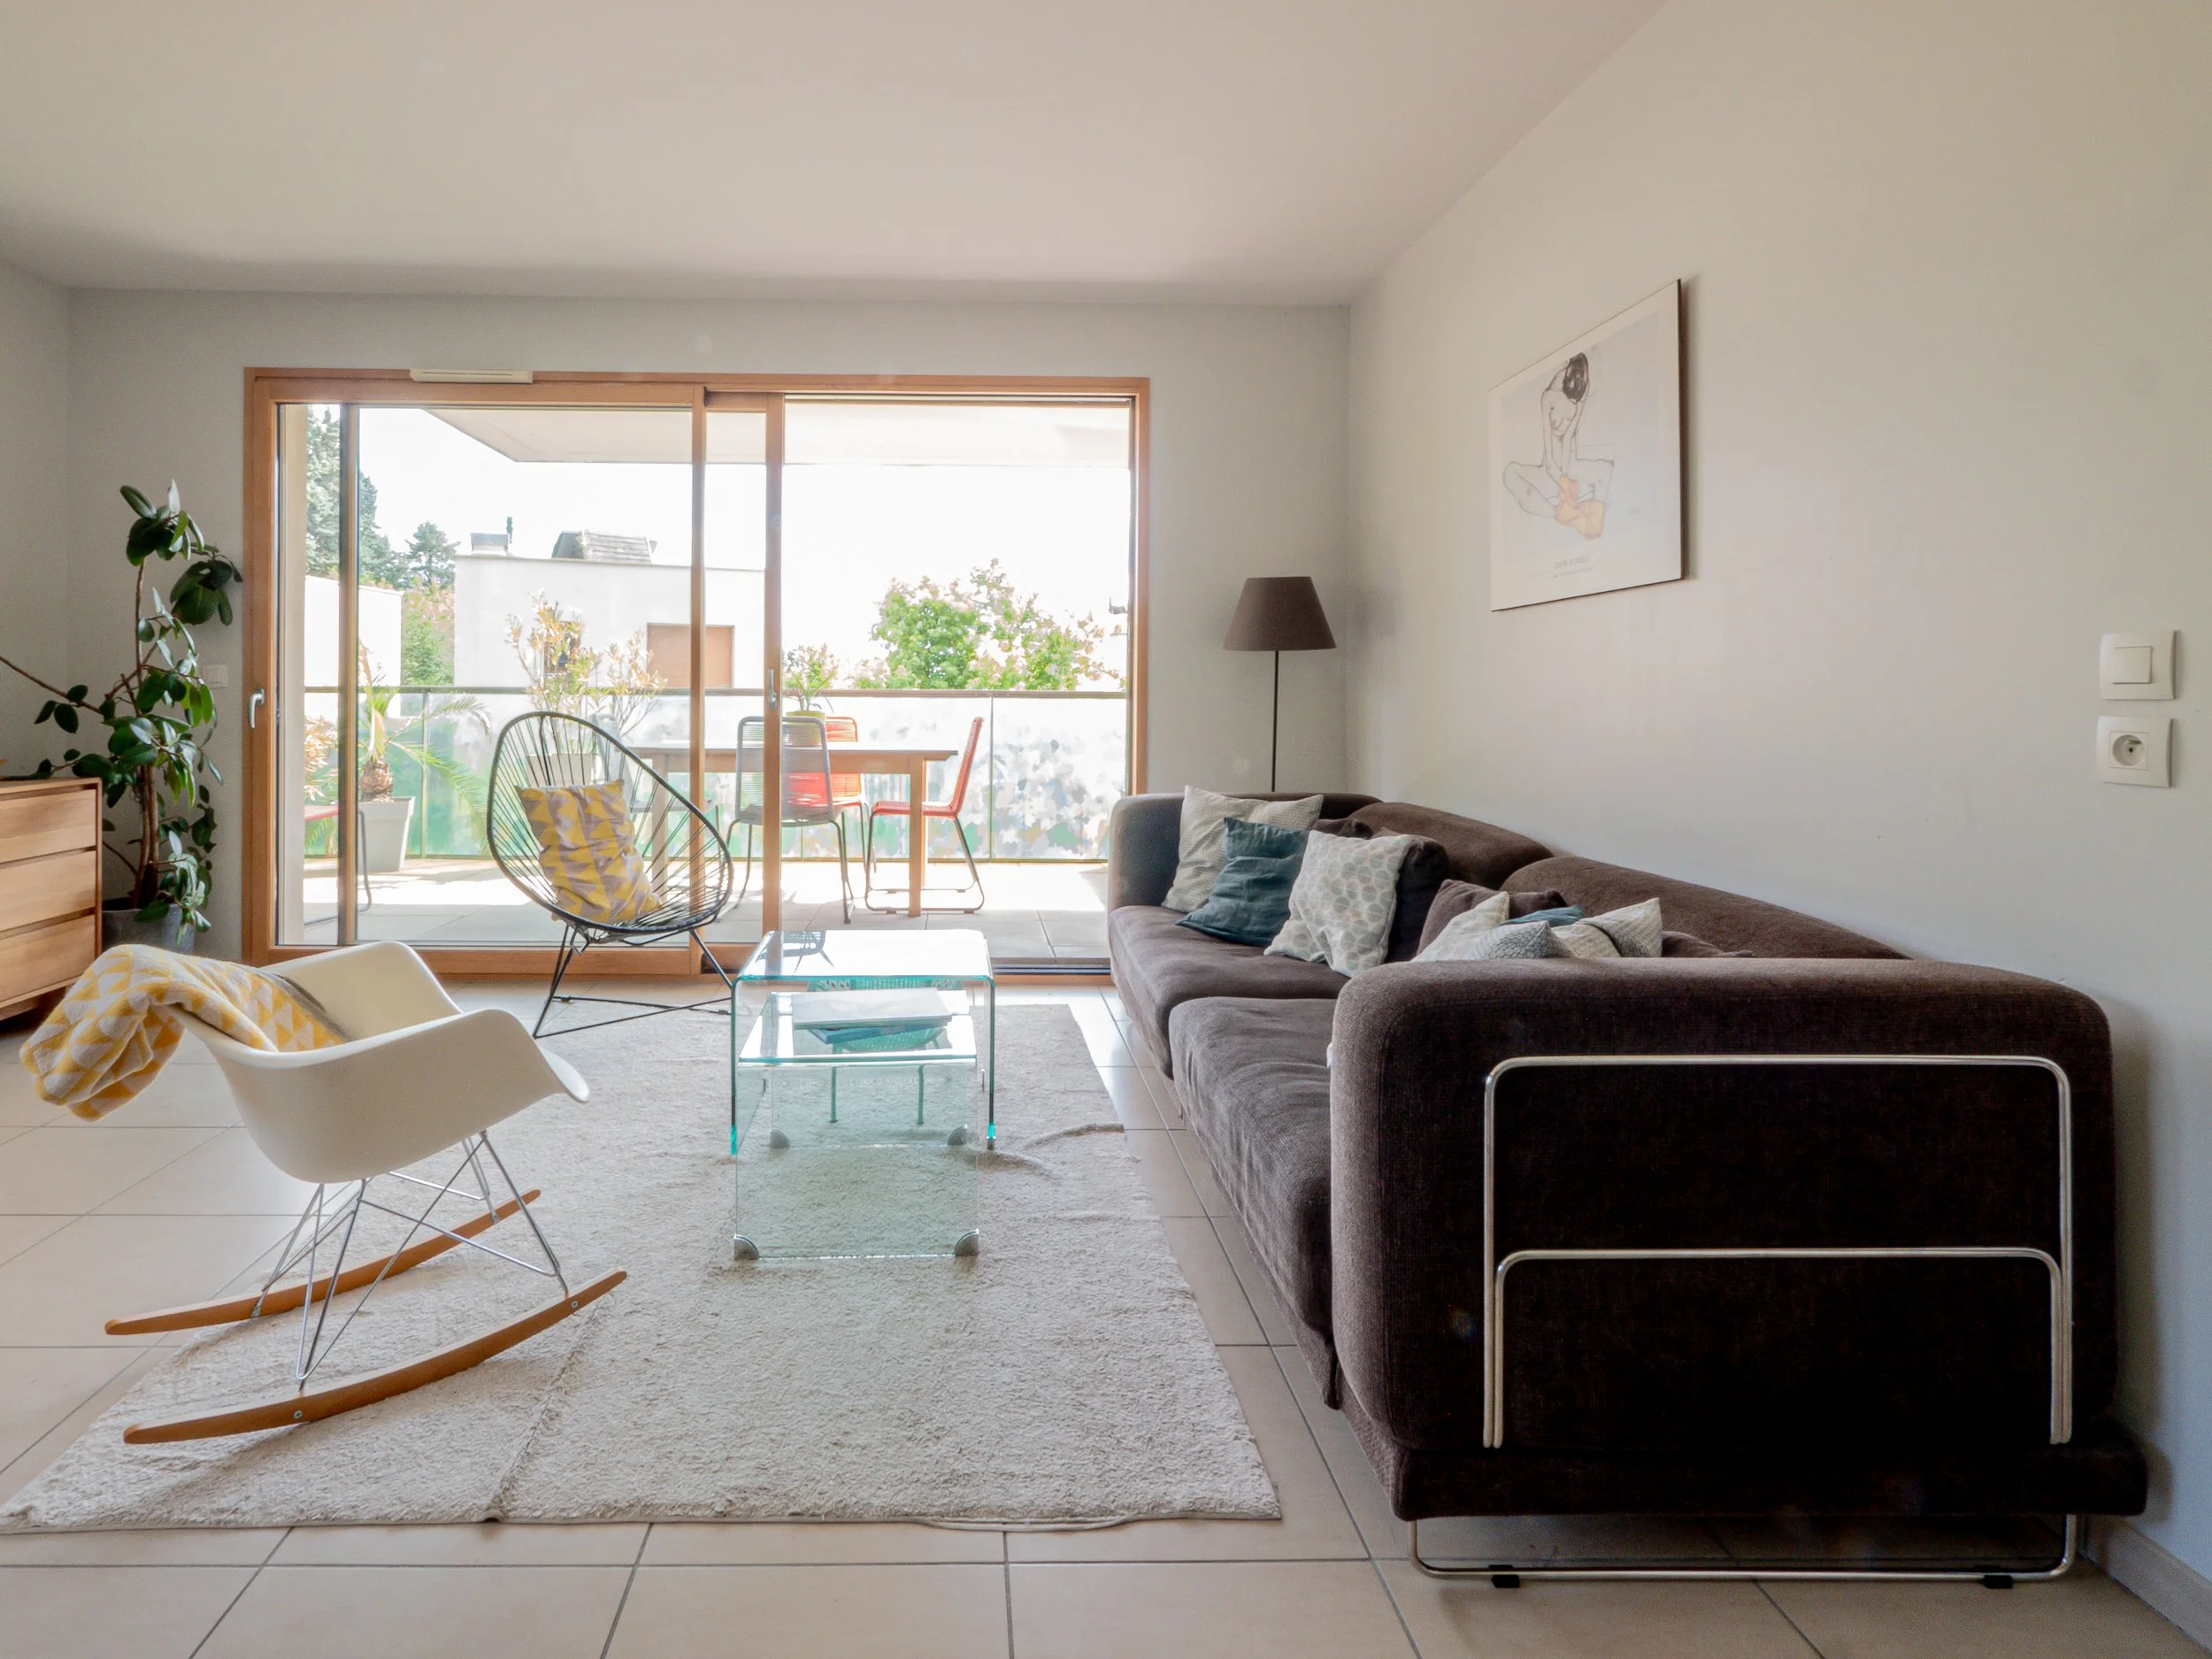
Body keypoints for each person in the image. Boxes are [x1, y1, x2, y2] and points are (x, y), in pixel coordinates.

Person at [1502, 351, 1612, 539]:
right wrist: (1562, 481)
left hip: (1569, 467)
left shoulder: (1579, 396)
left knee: (1607, 468)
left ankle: (1590, 521)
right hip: (1551, 471)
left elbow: (1568, 439)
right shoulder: (1548, 397)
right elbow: (1549, 461)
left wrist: (1566, 476)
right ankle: (1561, 514)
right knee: (1509, 472)